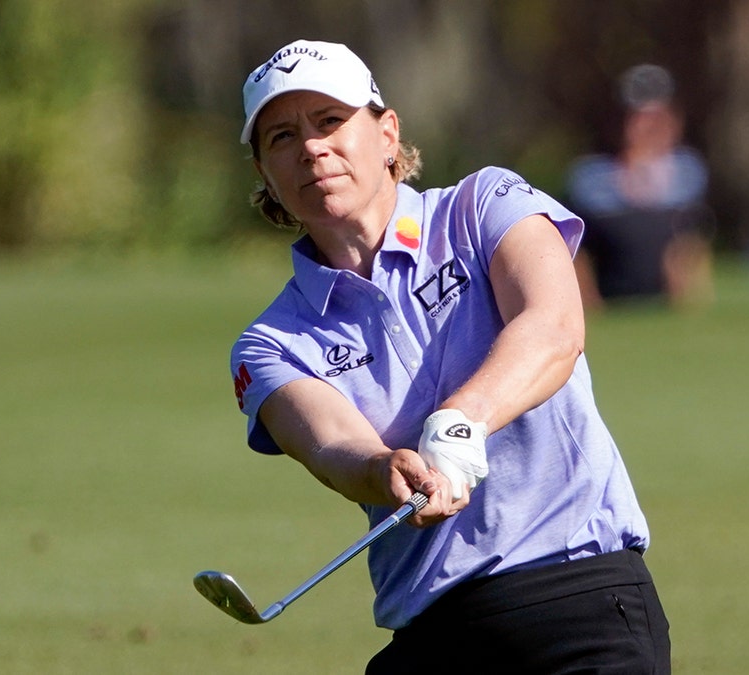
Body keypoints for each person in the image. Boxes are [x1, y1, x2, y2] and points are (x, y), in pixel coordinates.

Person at [228, 40, 670, 673]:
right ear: (265, 172)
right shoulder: (273, 341)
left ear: (386, 133)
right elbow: (330, 446)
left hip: (581, 598)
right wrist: (385, 469)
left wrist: (462, 418)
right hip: (435, 630)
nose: (312, 148)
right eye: (281, 137)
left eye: (330, 122)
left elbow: (554, 326)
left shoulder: (483, 208)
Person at [566, 64, 714, 310]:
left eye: (657, 118)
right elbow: (577, 249)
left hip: (666, 298)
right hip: (610, 295)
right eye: (638, 118)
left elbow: (692, 242)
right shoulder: (591, 178)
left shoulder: (688, 172)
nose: (648, 128)